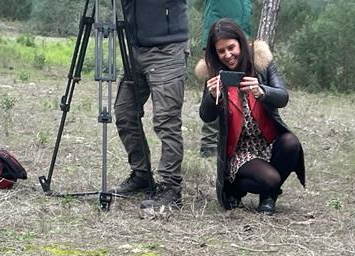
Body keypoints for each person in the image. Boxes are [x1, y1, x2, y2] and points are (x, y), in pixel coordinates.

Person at [198, 19, 305, 216]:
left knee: (291, 143)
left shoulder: (261, 62)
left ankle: (268, 198)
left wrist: (261, 90)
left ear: (241, 42)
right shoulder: (214, 73)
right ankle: (235, 188)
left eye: (231, 47)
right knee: (271, 179)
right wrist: (212, 96)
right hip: (239, 150)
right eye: (221, 51)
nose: (228, 55)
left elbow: (283, 97)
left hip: (267, 142)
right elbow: (206, 116)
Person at [113, 0, 189, 211]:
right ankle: (142, 175)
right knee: (124, 112)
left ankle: (170, 187)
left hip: (167, 47)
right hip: (134, 48)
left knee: (166, 121)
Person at [194, 0, 251, 157]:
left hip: (240, 33)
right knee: (215, 85)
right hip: (218, 32)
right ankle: (209, 142)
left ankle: (242, 134)